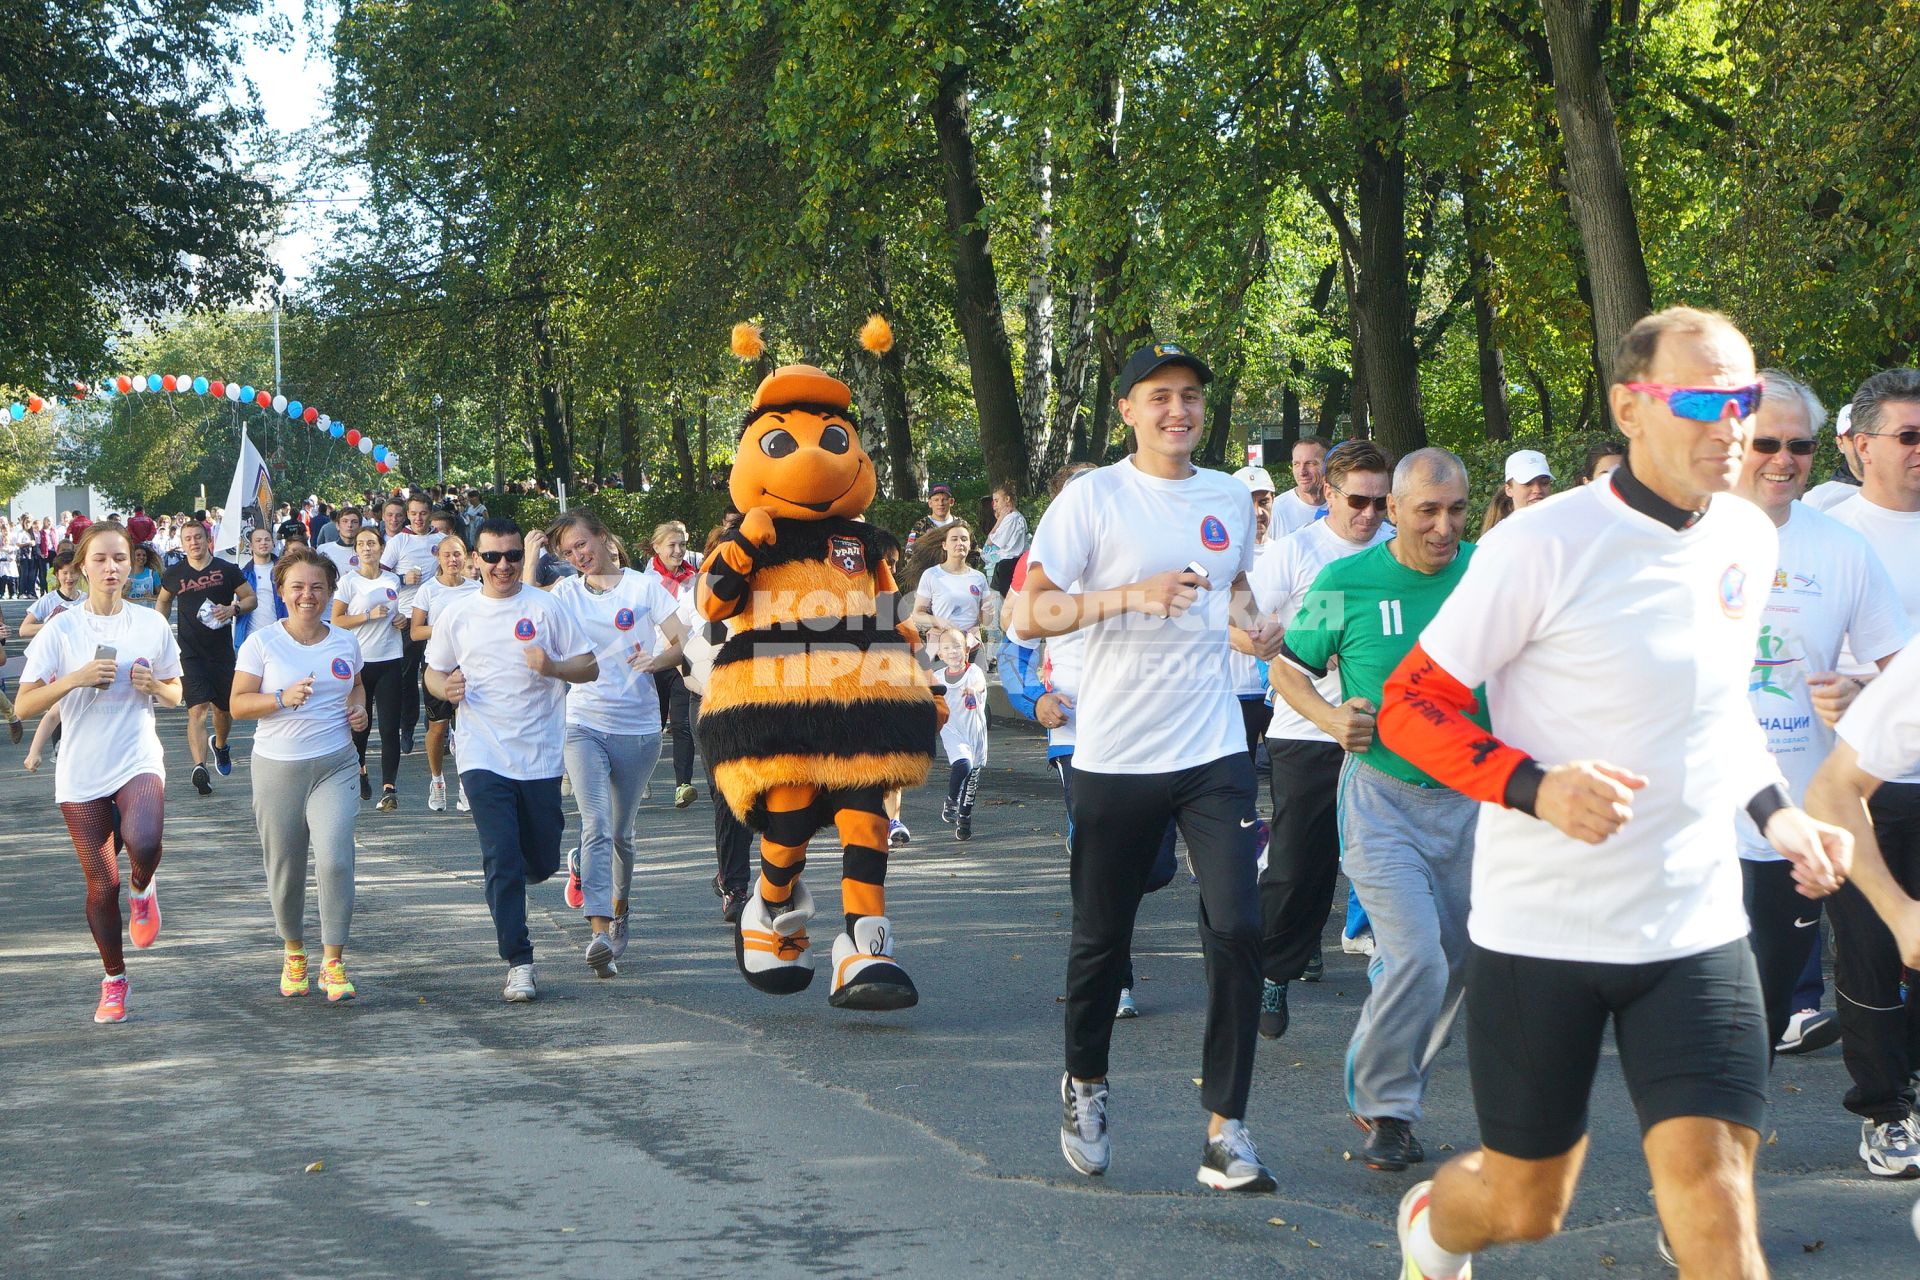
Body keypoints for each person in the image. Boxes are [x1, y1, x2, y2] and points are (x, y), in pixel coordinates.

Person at [1374, 307, 1851, 1280]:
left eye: (1746, 399)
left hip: (1693, 927)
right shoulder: (1541, 543)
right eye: (1708, 400)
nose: (1736, 425)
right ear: (1631, 406)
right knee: (1525, 1198)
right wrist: (1533, 785)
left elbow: (1716, 709)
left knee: (1718, 1208)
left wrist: (1778, 811)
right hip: (1543, 928)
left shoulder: (1748, 542)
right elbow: (1407, 705)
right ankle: (1430, 1225)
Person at [1014, 337, 1284, 1192]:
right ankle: (1086, 1082)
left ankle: (1226, 1128)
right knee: (1102, 936)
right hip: (1116, 754)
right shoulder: (1093, 499)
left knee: (1240, 924)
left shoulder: (1229, 497)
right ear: (1128, 410)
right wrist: (1129, 595)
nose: (1179, 410)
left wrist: (1251, 623)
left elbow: (1234, 586)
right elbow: (1028, 615)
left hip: (1211, 748)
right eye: (1160, 396)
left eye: (1192, 397)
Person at [1268, 448, 1479, 1173]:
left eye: (1456, 510)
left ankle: (1391, 1075)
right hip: (1382, 798)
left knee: (1453, 965)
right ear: (1392, 510)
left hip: (1475, 800)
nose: (1444, 526)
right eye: (1427, 510)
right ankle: (1388, 1107)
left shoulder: (1490, 574)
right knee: (1416, 956)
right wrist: (1332, 721)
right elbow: (1287, 668)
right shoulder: (1343, 580)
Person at [1731, 369, 1908, 1079]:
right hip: (1685, 825)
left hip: (1791, 827)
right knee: (1693, 1012)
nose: (1783, 460)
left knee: (1764, 1016)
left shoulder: (1841, 548)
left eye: (1799, 445)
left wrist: (1862, 692)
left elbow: (1900, 675)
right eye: (1765, 443)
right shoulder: (1675, 536)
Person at [1246, 439, 1393, 1039]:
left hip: (1384, 737)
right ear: (1328, 493)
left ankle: (1394, 981)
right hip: (1306, 729)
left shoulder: (1398, 550)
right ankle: (1273, 969)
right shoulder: (1296, 551)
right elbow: (1243, 622)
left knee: (1389, 861)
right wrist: (1289, 647)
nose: (1369, 514)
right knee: (1301, 867)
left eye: (1381, 503)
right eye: (1357, 500)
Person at [16, 523, 184, 1023]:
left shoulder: (151, 625)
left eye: (120, 559)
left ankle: (144, 887)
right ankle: (114, 979)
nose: (112, 568)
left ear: (133, 566)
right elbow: (23, 705)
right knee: (99, 885)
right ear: (81, 567)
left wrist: (155, 684)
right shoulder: (61, 629)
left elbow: (178, 694)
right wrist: (76, 679)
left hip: (136, 756)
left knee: (146, 842)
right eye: (101, 560)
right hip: (82, 770)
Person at [425, 517, 597, 1002]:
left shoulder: (546, 607)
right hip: (481, 752)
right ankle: (519, 962)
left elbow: (590, 665)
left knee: (537, 863)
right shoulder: (458, 614)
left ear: (524, 557)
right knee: (501, 856)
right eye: (493, 557)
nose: (503, 565)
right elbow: (434, 673)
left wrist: (554, 667)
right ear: (475, 560)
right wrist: (446, 687)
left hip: (540, 754)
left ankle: (520, 879)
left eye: (512, 556)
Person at [1818, 366, 1920, 1171]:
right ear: (1858, 446)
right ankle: (1883, 1110)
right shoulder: (1830, 532)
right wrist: (1850, 688)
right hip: (1863, 783)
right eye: (1908, 437)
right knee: (1871, 950)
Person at [532, 510, 686, 976]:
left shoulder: (643, 587)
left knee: (622, 835)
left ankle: (619, 913)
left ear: (602, 537)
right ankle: (598, 931)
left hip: (639, 729)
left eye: (582, 544)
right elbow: (520, 609)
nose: (577, 556)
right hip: (584, 722)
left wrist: (659, 660)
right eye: (567, 552)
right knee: (596, 823)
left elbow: (683, 641)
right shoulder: (564, 593)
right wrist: (528, 561)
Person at [231, 549, 369, 1002]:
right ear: (283, 592)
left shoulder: (344, 641)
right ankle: (294, 951)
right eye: (297, 587)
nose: (307, 595)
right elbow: (238, 705)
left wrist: (359, 708)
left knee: (335, 859)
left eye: (317, 587)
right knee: (286, 867)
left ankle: (333, 962)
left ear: (331, 593)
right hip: (277, 768)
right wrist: (280, 698)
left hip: (335, 763)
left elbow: (356, 684)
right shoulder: (262, 643)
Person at [155, 520, 255, 795]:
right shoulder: (175, 573)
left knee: (222, 710)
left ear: (207, 539)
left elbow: (250, 599)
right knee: (196, 710)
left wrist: (233, 608)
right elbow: (163, 600)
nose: (193, 543)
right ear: (182, 542)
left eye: (198, 537)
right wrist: (159, 628)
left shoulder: (226, 570)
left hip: (221, 652)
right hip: (189, 653)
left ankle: (220, 745)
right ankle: (199, 767)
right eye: (188, 539)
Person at [331, 526, 406, 810]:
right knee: (361, 725)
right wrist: (367, 616)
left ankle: (390, 788)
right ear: (356, 551)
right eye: (361, 544)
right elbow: (337, 620)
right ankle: (360, 769)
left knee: (389, 728)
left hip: (390, 657)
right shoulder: (349, 582)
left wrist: (402, 621)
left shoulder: (392, 580)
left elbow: (400, 613)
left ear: (381, 548)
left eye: (371, 543)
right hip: (360, 663)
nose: (366, 548)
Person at [410, 534, 480, 812]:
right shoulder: (428, 590)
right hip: (437, 666)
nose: (453, 560)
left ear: (466, 557)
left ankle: (466, 785)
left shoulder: (476, 589)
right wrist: (446, 626)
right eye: (447, 554)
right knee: (438, 729)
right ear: (438, 558)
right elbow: (416, 631)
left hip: (469, 665)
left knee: (467, 728)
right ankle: (437, 780)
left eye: (457, 554)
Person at [641, 520, 700, 809]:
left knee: (682, 723)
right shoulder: (646, 581)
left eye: (683, 545)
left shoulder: (694, 579)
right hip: (653, 660)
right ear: (656, 548)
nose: (679, 551)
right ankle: (641, 778)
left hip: (683, 659)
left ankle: (683, 784)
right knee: (653, 725)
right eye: (672, 546)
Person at [381, 493, 444, 755]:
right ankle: (407, 727)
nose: (418, 518)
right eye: (414, 513)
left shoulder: (441, 541)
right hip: (407, 617)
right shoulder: (399, 541)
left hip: (435, 618)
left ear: (430, 514)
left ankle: (440, 726)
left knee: (437, 671)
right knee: (407, 677)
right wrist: (403, 578)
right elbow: (381, 576)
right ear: (408, 514)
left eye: (423, 513)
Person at [934, 628, 989, 841]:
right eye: (947, 648)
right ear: (940, 654)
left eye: (957, 647)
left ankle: (964, 818)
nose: (952, 652)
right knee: (963, 764)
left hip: (975, 734)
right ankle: (951, 800)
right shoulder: (938, 678)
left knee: (972, 782)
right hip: (952, 731)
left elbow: (980, 684)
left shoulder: (973, 672)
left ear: (966, 651)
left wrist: (973, 690)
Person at [910, 522, 989, 653]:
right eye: (954, 539)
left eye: (964, 539)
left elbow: (985, 621)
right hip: (942, 644)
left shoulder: (979, 578)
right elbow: (917, 615)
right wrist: (939, 621)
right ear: (944, 545)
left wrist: (989, 613)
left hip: (971, 645)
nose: (960, 543)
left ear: (969, 545)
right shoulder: (931, 575)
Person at [235, 526, 288, 649]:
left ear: (273, 543)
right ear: (251, 546)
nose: (263, 543)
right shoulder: (242, 574)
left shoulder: (284, 570)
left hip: (280, 635)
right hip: (251, 637)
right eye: (258, 540)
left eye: (267, 540)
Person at [1804, 404, 1866, 511]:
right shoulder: (1818, 502)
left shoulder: (1901, 492)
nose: (1862, 444)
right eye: (1852, 437)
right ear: (1840, 444)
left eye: (1869, 435)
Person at [1272, 439, 1329, 537]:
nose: (1302, 472)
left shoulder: (1344, 506)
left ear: (1328, 465)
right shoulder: (1276, 511)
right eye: (1296, 464)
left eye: (1310, 463)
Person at [20, 550, 82, 639]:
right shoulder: (48, 600)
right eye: (65, 573)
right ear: (57, 574)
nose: (69, 577)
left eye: (73, 572)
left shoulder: (87, 600)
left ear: (79, 573)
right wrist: (53, 625)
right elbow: (24, 630)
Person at [983, 485, 1030, 598]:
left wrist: (999, 520)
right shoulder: (1019, 517)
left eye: (997, 500)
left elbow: (990, 541)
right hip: (1016, 561)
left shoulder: (1010, 518)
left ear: (1007, 499)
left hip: (1009, 563)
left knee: (1006, 600)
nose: (994, 504)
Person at [905, 482, 958, 556]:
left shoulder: (960, 525)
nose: (940, 503)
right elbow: (909, 553)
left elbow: (974, 552)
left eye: (944, 499)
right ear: (930, 503)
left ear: (951, 502)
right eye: (936, 500)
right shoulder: (921, 526)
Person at [317, 506, 362, 577]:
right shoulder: (323, 550)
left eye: (354, 522)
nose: (349, 525)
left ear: (360, 527)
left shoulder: (366, 552)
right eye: (345, 521)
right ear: (338, 525)